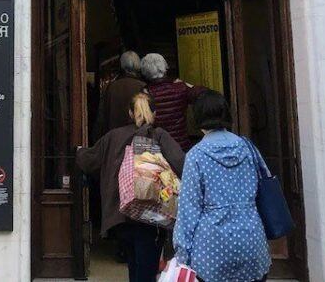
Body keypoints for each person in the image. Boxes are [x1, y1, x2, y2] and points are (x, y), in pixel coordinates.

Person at [77, 91, 186, 282]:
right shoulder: (159, 136)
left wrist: (77, 151)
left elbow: (89, 161)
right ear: (155, 113)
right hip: (152, 215)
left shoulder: (113, 137)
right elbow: (182, 163)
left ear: (129, 113)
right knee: (147, 268)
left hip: (122, 214)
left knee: (133, 265)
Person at [173, 91, 271, 282]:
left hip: (211, 249)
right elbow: (263, 185)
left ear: (198, 117)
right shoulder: (247, 147)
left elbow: (188, 211)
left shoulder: (196, 155)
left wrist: (181, 256)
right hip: (252, 239)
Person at [142, 52, 205, 151]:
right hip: (181, 146)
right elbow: (202, 93)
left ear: (145, 72)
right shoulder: (180, 88)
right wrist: (185, 84)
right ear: (165, 68)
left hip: (159, 149)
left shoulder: (145, 94)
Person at [95, 51, 146, 139]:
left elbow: (102, 117)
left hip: (115, 139)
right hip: (137, 140)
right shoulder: (142, 87)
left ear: (121, 66)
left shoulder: (111, 87)